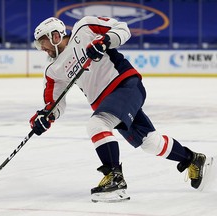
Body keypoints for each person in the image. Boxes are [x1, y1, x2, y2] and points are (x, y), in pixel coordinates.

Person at [29, 16, 209, 202]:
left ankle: (115, 179)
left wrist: (106, 40)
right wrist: (45, 117)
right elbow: (54, 103)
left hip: (125, 86)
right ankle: (192, 159)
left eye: (43, 42)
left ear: (55, 36)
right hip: (111, 103)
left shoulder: (84, 28)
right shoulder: (53, 70)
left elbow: (122, 28)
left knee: (97, 124)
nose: (42, 48)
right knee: (150, 142)